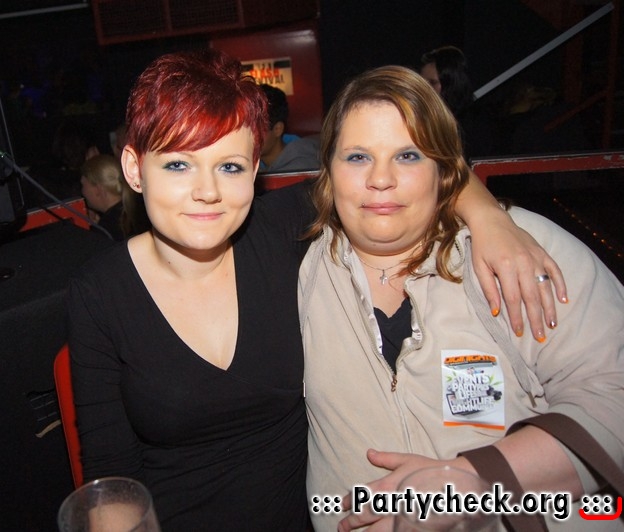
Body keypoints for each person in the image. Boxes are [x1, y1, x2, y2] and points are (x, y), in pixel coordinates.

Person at [67, 49, 565, 531]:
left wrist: (490, 219)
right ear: (133, 169)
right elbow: (112, 479)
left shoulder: (284, 230)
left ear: (255, 171)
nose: (208, 191)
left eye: (230, 166)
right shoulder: (100, 293)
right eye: (178, 164)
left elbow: (406, 176)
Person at [299, 65, 623, 531]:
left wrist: (476, 479)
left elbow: (613, 390)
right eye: (357, 157)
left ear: (444, 168)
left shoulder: (520, 252)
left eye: (408, 155)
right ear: (328, 171)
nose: (381, 178)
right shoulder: (299, 268)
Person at [420, 45, 496, 160]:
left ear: (451, 84)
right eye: (422, 82)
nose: (424, 88)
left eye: (432, 82)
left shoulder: (475, 124)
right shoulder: (420, 117)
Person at [258, 84, 321, 173]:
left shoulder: (303, 168)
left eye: (255, 130)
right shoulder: (252, 167)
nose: (246, 137)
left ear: (277, 129)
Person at [79, 154, 125, 241]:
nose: (82, 192)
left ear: (97, 189)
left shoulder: (105, 230)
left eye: (83, 185)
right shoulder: (136, 210)